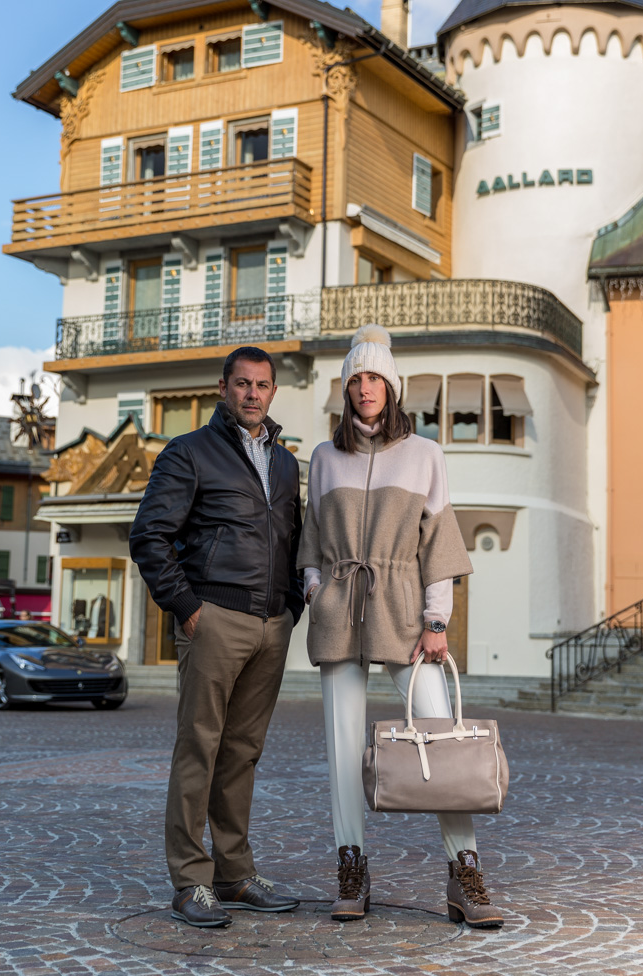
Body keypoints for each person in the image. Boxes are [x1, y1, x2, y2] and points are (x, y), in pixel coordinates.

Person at [298, 325, 505, 929]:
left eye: (375, 379)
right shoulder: (323, 457)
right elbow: (309, 534)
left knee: (439, 734)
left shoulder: (426, 454)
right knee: (341, 746)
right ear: (346, 389)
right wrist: (314, 584)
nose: (365, 388)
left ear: (392, 387)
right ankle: (351, 865)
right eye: (356, 379)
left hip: (407, 610)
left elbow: (438, 541)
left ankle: (464, 869)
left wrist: (437, 620)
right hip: (340, 606)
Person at [130, 346, 304, 929]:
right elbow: (150, 535)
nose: (252, 394)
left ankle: (233, 873)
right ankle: (190, 880)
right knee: (198, 748)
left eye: (262, 385)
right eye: (242, 384)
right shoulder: (189, 453)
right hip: (214, 617)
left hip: (271, 624)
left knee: (242, 753)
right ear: (222, 388)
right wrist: (187, 608)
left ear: (273, 392)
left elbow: (293, 540)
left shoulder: (284, 465)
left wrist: (291, 607)